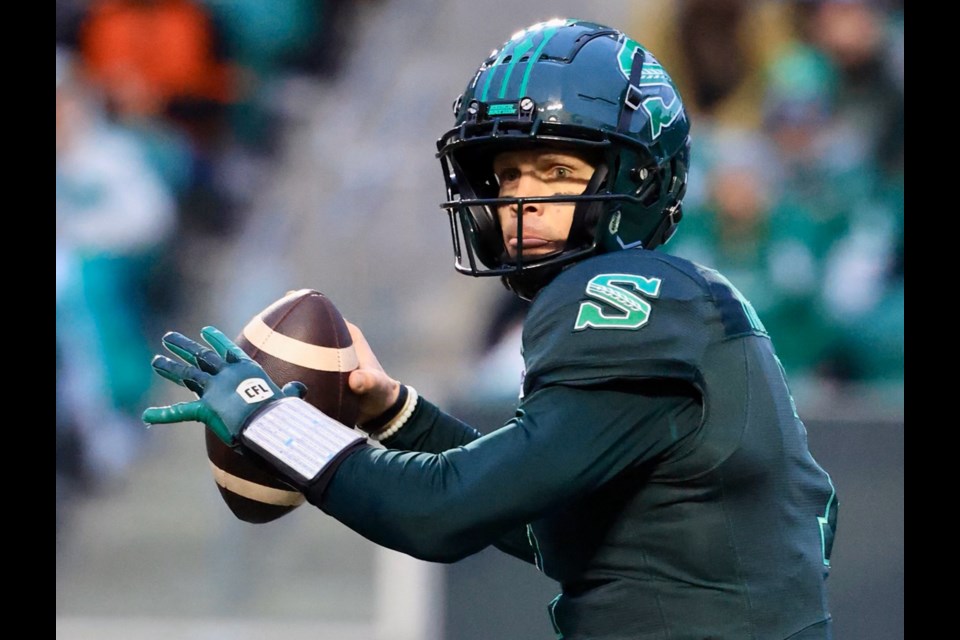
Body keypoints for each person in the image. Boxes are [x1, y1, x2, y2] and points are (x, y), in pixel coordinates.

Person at [143, 19, 838, 639]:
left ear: (639, 179)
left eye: (557, 171)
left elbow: (441, 513)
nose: (522, 199)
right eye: (507, 175)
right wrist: (398, 414)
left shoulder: (623, 297)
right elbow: (547, 527)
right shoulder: (689, 306)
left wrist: (272, 423)